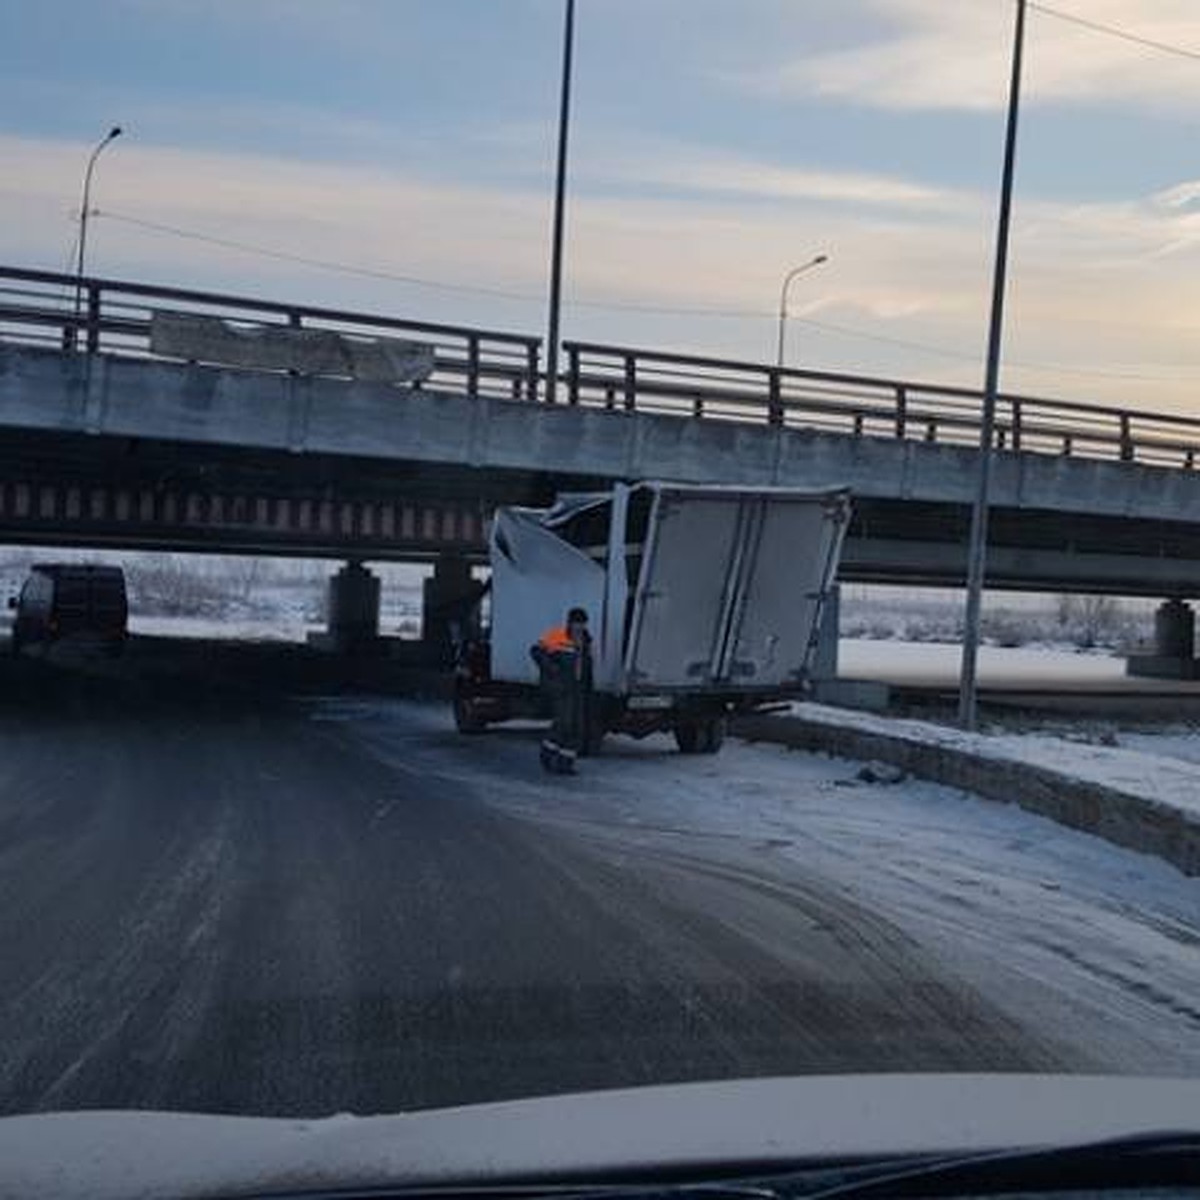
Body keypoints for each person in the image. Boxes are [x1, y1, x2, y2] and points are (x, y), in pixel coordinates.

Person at [530, 606, 592, 775]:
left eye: (582, 624)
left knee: (577, 727)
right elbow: (536, 651)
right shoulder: (557, 636)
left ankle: (565, 763)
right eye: (577, 623)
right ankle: (547, 753)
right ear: (570, 623)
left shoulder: (586, 640)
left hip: (578, 687)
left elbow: (586, 665)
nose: (580, 627)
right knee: (564, 723)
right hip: (562, 687)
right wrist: (552, 669)